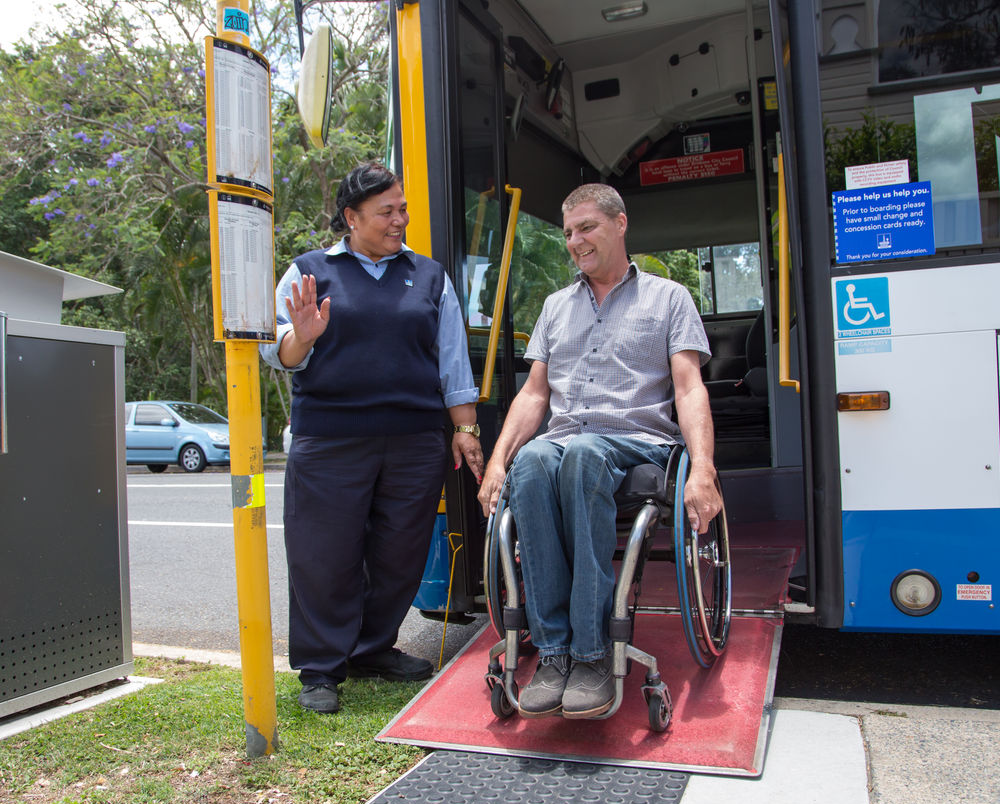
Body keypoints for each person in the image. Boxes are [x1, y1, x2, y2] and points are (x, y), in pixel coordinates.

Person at [476, 183, 722, 719]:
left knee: (583, 452)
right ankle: (555, 653)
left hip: (639, 443)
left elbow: (688, 389)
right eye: (568, 233)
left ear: (620, 224)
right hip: (565, 446)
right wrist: (498, 462)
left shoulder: (668, 298)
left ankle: (591, 654)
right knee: (534, 461)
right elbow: (534, 394)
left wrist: (702, 469)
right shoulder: (555, 307)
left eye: (586, 227)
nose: (575, 242)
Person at [261, 163, 484, 714]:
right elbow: (279, 353)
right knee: (323, 555)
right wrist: (303, 338)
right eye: (386, 211)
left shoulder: (429, 277)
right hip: (330, 440)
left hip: (413, 442)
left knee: (400, 553)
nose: (399, 219)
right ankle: (320, 666)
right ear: (351, 218)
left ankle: (371, 647)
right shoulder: (309, 273)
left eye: (401, 208)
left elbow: (451, 358)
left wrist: (465, 428)